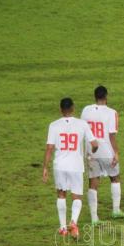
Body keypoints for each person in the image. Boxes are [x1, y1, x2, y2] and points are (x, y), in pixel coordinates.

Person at [42, 98, 99, 238]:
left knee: (61, 194)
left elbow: (49, 148)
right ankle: (73, 221)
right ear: (73, 109)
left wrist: (45, 167)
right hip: (76, 165)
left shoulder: (54, 125)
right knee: (77, 196)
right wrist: (93, 152)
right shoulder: (82, 124)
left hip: (59, 166)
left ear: (61, 109)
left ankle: (62, 228)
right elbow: (94, 144)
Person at [81, 86, 124, 224]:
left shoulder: (86, 110)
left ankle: (94, 218)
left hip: (91, 151)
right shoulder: (112, 113)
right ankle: (116, 210)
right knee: (115, 178)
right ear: (106, 97)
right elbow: (112, 135)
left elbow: (83, 130)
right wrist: (116, 153)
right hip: (106, 151)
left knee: (93, 183)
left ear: (94, 96)